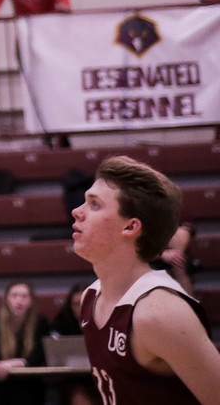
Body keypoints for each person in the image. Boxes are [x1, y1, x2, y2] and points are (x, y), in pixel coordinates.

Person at [73, 155, 220, 402]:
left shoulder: (158, 312)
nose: (76, 211)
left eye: (94, 204)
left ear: (130, 227)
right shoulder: (91, 297)